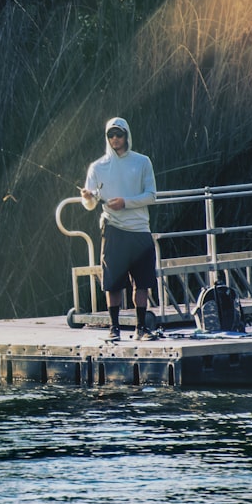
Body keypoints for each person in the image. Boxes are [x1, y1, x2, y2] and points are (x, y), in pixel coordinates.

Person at [80, 117, 158, 342]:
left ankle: (141, 327)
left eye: (119, 134)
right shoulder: (97, 166)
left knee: (142, 282)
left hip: (140, 229)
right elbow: (91, 203)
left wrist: (125, 202)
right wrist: (87, 197)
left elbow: (151, 196)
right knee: (112, 282)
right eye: (111, 135)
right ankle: (114, 328)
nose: (115, 139)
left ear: (127, 136)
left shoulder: (142, 162)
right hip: (113, 229)